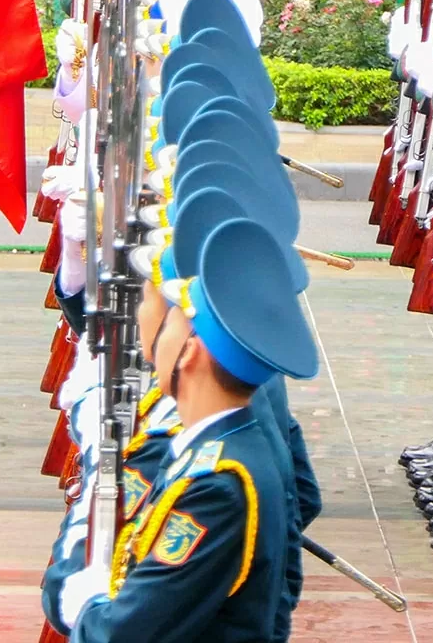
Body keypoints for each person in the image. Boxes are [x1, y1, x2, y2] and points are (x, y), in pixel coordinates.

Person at [53, 217, 317, 641]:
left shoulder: (218, 484)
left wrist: (82, 595)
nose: (142, 317)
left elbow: (120, 634)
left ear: (191, 350)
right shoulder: (218, 448)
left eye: (161, 309)